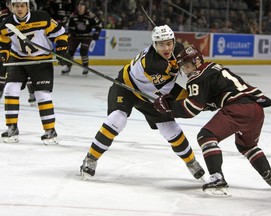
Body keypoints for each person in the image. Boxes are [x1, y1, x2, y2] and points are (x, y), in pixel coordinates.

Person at [80, 25, 205, 181]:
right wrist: (199, 100)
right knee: (117, 119)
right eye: (160, 44)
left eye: (168, 43)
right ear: (154, 45)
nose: (166, 48)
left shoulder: (178, 48)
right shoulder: (152, 64)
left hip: (149, 94)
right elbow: (173, 92)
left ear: (174, 41)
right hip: (127, 87)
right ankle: (90, 159)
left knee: (170, 129)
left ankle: (191, 162)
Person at [153, 46, 271, 196]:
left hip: (238, 108)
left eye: (187, 66)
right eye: (183, 68)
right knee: (247, 146)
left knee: (206, 136)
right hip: (256, 109)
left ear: (196, 62)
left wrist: (170, 107)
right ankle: (269, 175)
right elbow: (209, 102)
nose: (186, 71)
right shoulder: (213, 67)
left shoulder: (197, 76)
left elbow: (192, 109)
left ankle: (217, 177)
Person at [0, 0, 71, 144]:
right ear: (12, 7)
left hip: (41, 60)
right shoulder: (5, 24)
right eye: (16, 6)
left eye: (22, 6)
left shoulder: (42, 17)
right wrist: (3, 56)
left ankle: (50, 130)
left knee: (41, 94)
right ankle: (12, 128)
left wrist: (62, 49)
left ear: (27, 6)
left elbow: (60, 33)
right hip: (18, 59)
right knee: (10, 89)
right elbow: (4, 43)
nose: (19, 9)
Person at [0, 0, 35, 105]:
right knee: (2, 67)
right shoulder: (3, 15)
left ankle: (32, 92)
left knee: (27, 69)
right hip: (7, 46)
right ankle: (0, 90)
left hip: (22, 47)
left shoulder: (27, 15)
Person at [61, 0, 102, 75]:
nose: (80, 8)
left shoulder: (90, 16)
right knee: (70, 51)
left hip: (87, 36)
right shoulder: (73, 15)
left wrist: (96, 33)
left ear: (85, 7)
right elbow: (69, 26)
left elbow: (99, 25)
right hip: (75, 36)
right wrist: (70, 32)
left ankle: (85, 67)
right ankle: (68, 67)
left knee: (83, 51)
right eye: (79, 6)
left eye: (82, 6)